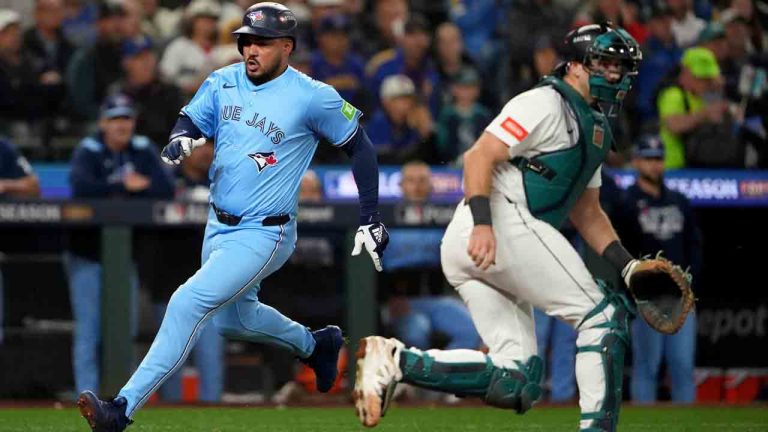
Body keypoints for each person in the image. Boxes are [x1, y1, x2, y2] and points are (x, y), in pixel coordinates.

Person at [77, 4, 388, 431]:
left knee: (186, 302)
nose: (250, 50)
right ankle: (314, 344)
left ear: (286, 46)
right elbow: (190, 119)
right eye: (246, 41)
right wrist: (181, 138)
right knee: (235, 319)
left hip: (266, 232)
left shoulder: (313, 95)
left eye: (261, 41)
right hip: (218, 223)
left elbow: (361, 147)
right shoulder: (224, 79)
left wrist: (370, 215)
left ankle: (120, 409)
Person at [353, 23, 644, 432]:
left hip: (489, 233)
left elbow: (589, 212)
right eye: (604, 63)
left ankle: (395, 361)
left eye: (620, 67)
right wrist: (484, 226)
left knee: (517, 379)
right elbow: (477, 157)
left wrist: (628, 266)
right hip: (495, 220)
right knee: (604, 316)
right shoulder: (545, 101)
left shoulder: (595, 127)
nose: (613, 74)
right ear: (576, 64)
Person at [66, 93, 175, 396]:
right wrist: (122, 186)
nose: (121, 125)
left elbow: (165, 189)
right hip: (86, 254)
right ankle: (85, 397)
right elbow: (80, 189)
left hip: (124, 256)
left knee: (121, 331)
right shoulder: (89, 149)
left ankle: (119, 400)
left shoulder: (142, 150)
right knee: (89, 330)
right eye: (114, 119)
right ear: (103, 123)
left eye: (125, 118)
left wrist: (119, 191)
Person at [618, 134, 701, 403]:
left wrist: (690, 284)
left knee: (683, 367)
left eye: (659, 159)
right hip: (646, 299)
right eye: (649, 159)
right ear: (637, 161)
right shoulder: (626, 202)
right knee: (646, 367)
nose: (655, 165)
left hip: (680, 297)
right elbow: (620, 250)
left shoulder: (679, 200)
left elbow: (694, 244)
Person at [383, 161, 481, 352]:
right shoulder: (385, 220)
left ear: (431, 185)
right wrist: (386, 299)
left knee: (471, 330)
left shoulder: (446, 218)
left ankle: (444, 375)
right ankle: (416, 380)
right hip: (402, 301)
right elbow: (371, 266)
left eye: (422, 180)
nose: (417, 186)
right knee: (417, 333)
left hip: (438, 297)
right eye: (411, 181)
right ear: (401, 185)